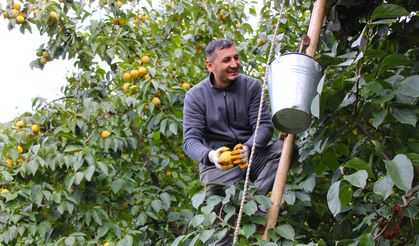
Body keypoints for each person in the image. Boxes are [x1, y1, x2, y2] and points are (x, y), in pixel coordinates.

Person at [182, 38, 284, 245]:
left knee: (284, 150)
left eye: (236, 57)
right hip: (218, 167)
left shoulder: (252, 86)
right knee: (221, 234)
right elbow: (190, 140)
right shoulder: (195, 96)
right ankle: (239, 213)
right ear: (210, 66)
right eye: (227, 60)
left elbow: (264, 126)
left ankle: (249, 204)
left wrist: (248, 147)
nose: (235, 64)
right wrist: (212, 156)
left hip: (251, 157)